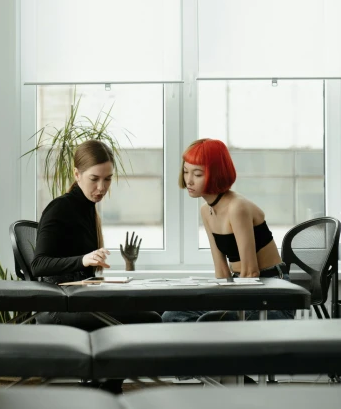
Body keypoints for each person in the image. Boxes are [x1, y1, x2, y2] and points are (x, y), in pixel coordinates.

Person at [31, 139, 161, 393]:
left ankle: (105, 386)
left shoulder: (88, 210)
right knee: (148, 321)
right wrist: (83, 259)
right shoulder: (61, 208)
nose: (101, 187)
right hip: (58, 307)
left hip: (79, 299)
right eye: (94, 179)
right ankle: (108, 387)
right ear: (77, 174)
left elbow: (83, 273)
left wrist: (124, 267)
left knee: (150, 314)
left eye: (108, 179)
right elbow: (38, 265)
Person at [161, 138, 295, 323]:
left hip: (271, 293)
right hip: (241, 285)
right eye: (186, 171)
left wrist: (224, 306)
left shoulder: (237, 207)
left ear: (216, 174)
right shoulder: (206, 210)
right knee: (172, 315)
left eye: (197, 174)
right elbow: (222, 271)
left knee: (210, 321)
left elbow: (251, 272)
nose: (189, 180)